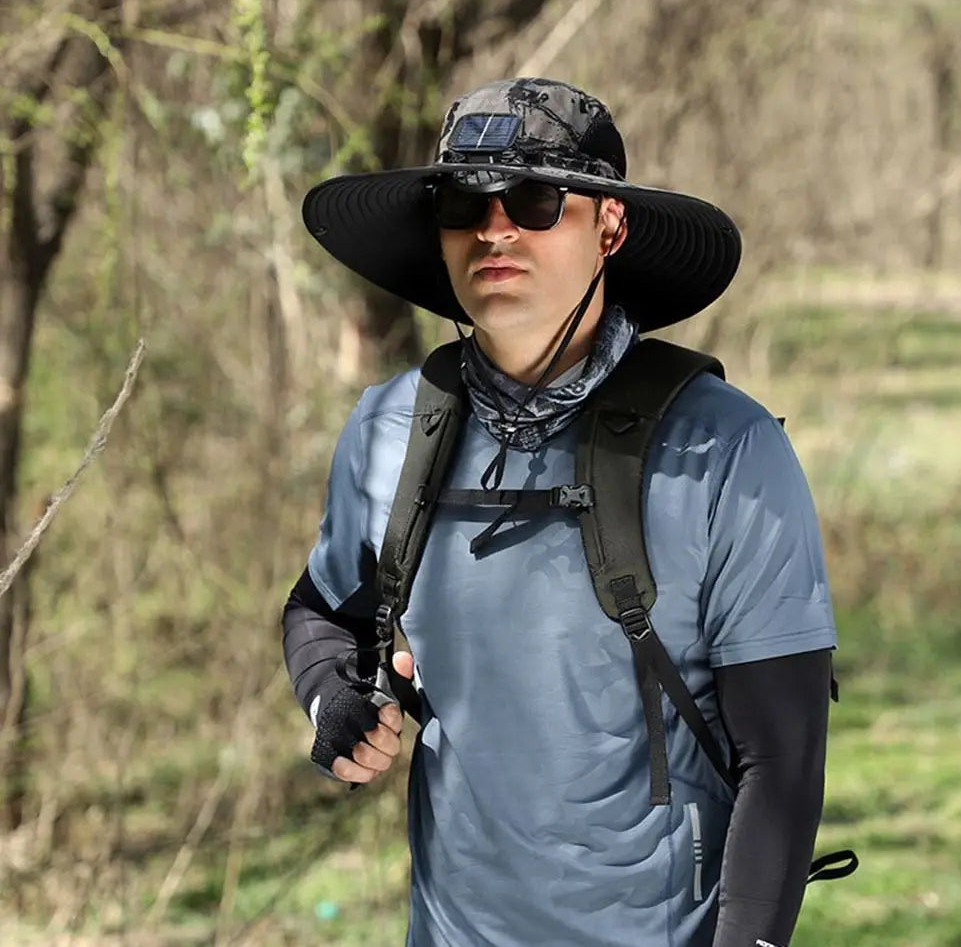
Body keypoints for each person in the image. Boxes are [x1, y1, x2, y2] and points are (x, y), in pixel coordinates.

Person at [283, 77, 839, 947]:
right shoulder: (388, 430)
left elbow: (786, 759)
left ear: (608, 226)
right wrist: (334, 704)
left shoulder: (727, 448)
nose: (494, 228)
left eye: (536, 199)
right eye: (465, 202)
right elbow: (323, 608)